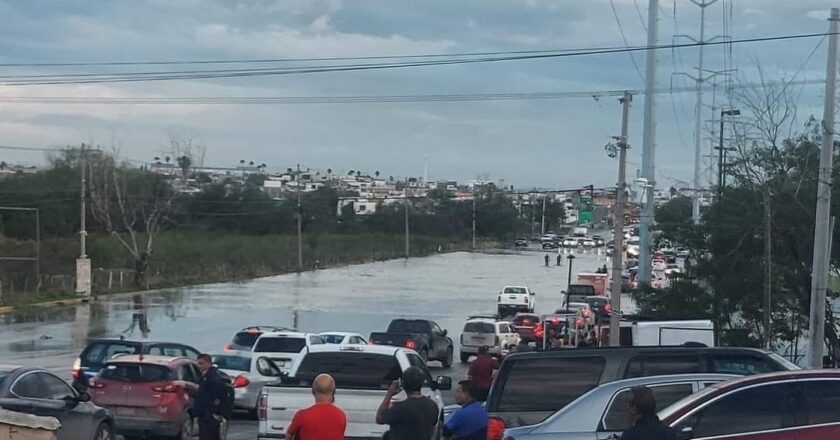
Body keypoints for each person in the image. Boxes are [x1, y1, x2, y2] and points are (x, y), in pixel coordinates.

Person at [376, 366, 439, 440]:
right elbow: (432, 431)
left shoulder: (399, 409)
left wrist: (389, 394)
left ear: (403, 384)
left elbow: (379, 418)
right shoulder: (432, 405)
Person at [177, 354, 228, 440]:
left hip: (209, 415)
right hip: (204, 414)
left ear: (209, 363)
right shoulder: (205, 376)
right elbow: (202, 392)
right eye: (198, 363)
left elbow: (218, 395)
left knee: (208, 436)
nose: (198, 366)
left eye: (201, 363)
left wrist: (214, 412)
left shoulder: (213, 377)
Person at [287, 373, 346, 440]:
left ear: (313, 390)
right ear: (333, 391)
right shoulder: (341, 415)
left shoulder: (302, 415)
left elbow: (289, 436)